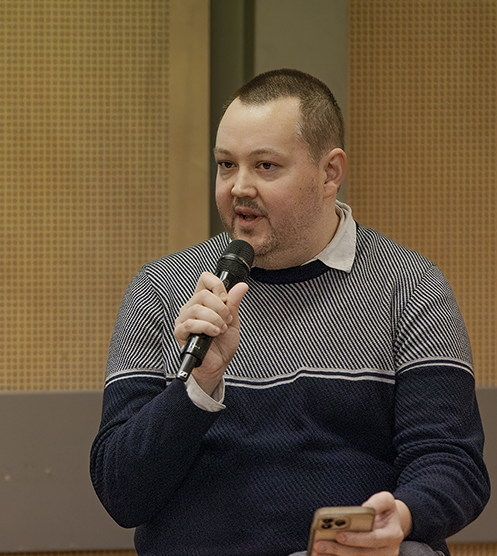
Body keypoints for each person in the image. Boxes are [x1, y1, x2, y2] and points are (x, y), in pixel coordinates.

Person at [89, 69, 489, 556]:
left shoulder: (409, 285)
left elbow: (451, 461)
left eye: (265, 166)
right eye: (225, 165)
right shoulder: (166, 288)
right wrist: (198, 387)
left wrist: (398, 519)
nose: (238, 187)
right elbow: (121, 492)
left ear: (330, 173)